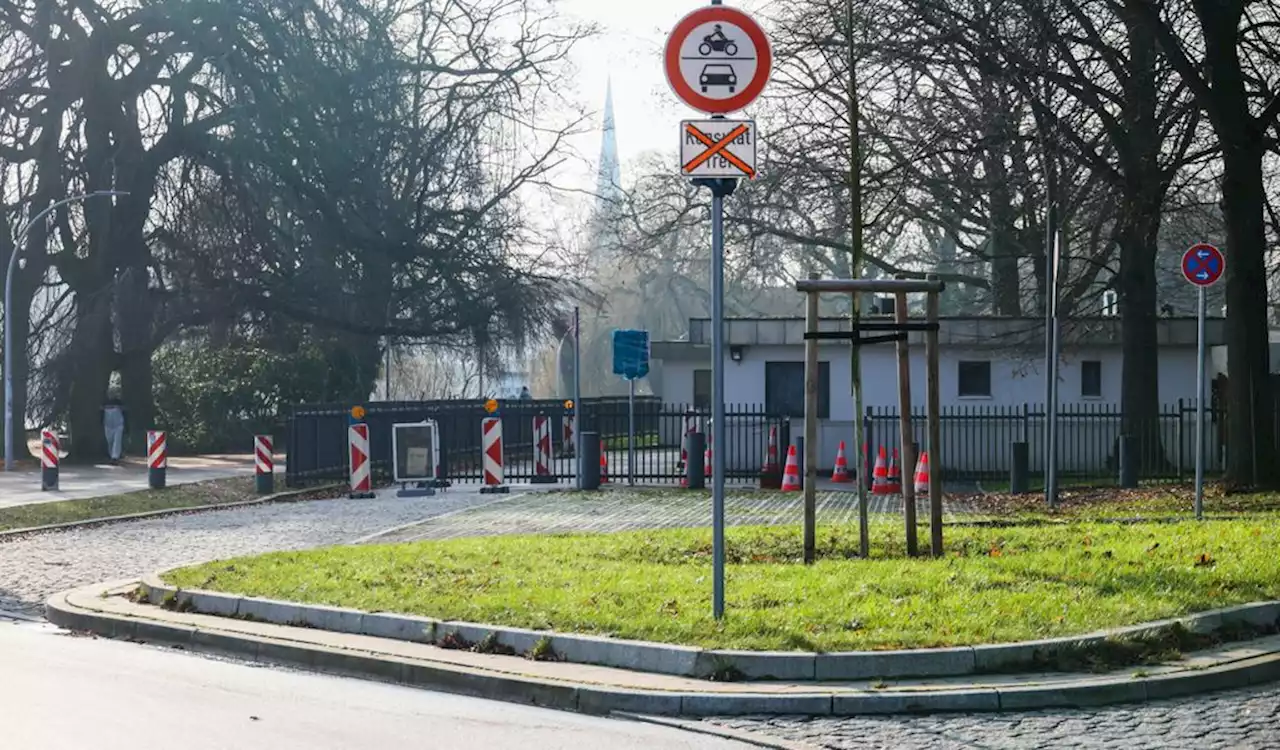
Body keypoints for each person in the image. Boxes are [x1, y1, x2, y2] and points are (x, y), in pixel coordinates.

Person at [102, 397, 126, 463]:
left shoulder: (119, 401)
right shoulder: (105, 401)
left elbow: (124, 410)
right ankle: (111, 455)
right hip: (108, 425)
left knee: (117, 440)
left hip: (118, 424)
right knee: (109, 441)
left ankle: (115, 457)